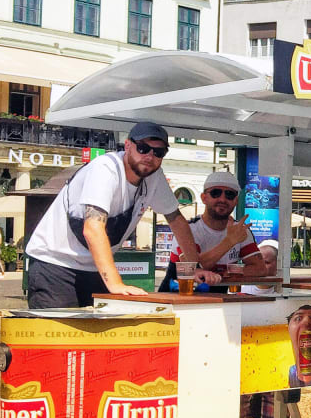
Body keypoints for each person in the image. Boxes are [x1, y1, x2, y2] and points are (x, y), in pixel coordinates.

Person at [25, 122, 218, 308]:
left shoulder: (154, 177)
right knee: (57, 337)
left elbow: (177, 221)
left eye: (158, 152)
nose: (150, 156)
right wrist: (116, 284)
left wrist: (193, 269)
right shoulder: (106, 168)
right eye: (143, 148)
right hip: (54, 265)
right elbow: (92, 229)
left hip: (94, 270)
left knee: (99, 338)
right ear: (128, 145)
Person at [158, 171, 266, 292]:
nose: (223, 199)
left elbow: (260, 269)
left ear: (236, 201)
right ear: (204, 198)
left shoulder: (240, 230)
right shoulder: (189, 229)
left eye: (229, 194)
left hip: (218, 300)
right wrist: (229, 241)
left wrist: (231, 271)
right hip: (177, 296)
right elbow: (192, 266)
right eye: (216, 193)